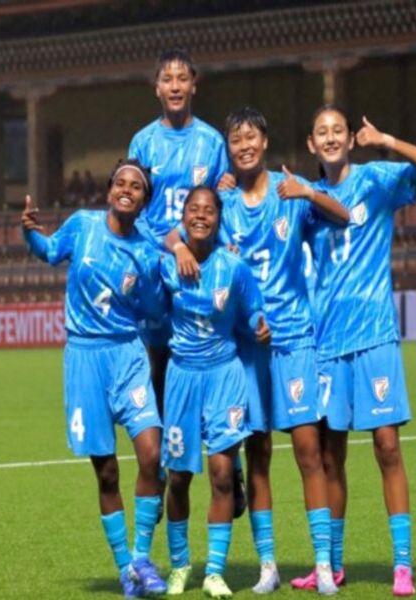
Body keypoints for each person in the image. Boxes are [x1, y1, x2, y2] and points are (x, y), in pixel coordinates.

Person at [166, 107, 349, 595]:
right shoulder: (222, 202)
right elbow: (174, 231)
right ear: (229, 149)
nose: (244, 146)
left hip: (293, 340)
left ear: (265, 142)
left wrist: (309, 191)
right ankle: (268, 564)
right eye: (236, 140)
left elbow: (345, 215)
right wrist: (179, 247)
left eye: (251, 138)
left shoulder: (290, 193)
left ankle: (323, 563)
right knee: (259, 453)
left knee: (309, 451)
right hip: (245, 350)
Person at [289, 105, 416, 597]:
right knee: (331, 458)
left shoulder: (375, 180)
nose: (331, 138)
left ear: (350, 139)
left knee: (387, 447)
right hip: (327, 342)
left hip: (374, 335)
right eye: (322, 132)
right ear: (311, 144)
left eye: (339, 130)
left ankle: (402, 565)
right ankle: (332, 565)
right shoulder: (305, 201)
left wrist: (386, 140)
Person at [21, 158, 168, 599]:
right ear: (109, 191)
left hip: (127, 355)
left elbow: (153, 308)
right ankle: (127, 571)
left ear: (144, 201)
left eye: (136, 186)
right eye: (121, 182)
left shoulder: (146, 251)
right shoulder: (83, 225)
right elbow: (50, 252)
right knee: (106, 474)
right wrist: (29, 232)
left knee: (151, 454)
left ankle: (143, 558)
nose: (127, 189)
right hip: (84, 359)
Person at [127, 47, 245, 519]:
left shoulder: (212, 142)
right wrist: (172, 248)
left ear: (194, 85)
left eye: (182, 78)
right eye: (167, 79)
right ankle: (160, 473)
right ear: (156, 87)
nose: (175, 86)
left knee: (215, 359)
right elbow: (133, 208)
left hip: (203, 269)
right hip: (161, 271)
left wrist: (221, 247)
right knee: (159, 369)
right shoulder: (142, 142)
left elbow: (220, 205)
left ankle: (229, 466)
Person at [160, 186, 271, 598]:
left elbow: (254, 307)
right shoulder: (166, 267)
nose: (201, 216)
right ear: (183, 217)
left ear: (218, 219)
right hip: (182, 378)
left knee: (223, 474)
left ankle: (214, 571)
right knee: (178, 478)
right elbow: (151, 308)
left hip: (225, 375)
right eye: (194, 209)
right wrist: (175, 248)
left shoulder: (234, 267)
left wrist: (259, 323)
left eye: (209, 210)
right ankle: (179, 565)